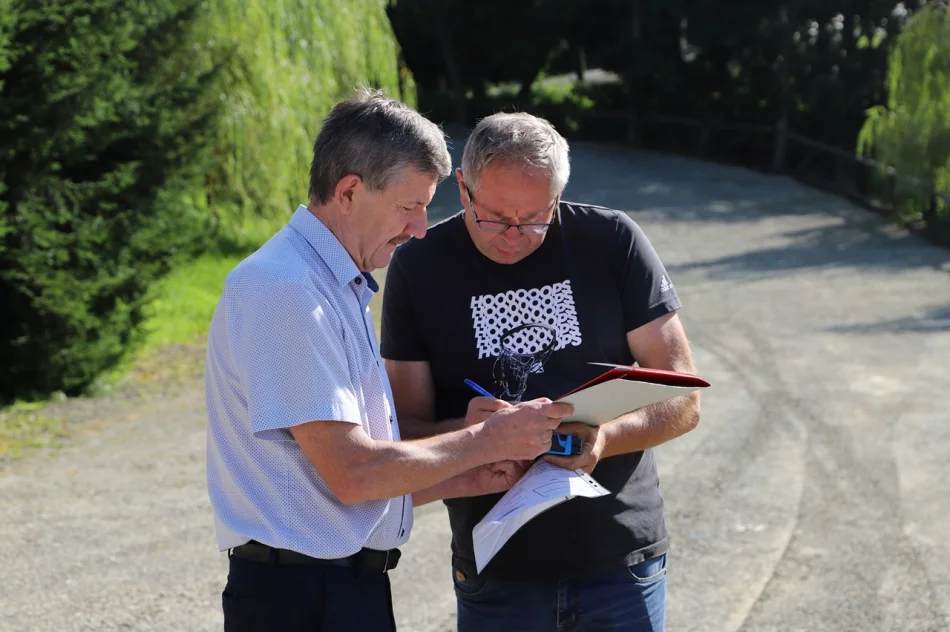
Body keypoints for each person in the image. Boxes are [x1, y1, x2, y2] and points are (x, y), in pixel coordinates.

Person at [204, 90, 573, 632]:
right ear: (349, 191)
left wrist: (465, 474)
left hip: (332, 588)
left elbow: (329, 489)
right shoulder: (286, 290)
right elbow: (352, 474)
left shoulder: (332, 284)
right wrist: (484, 442)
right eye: (409, 207)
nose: (422, 228)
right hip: (302, 596)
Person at [380, 112, 701, 632]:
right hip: (499, 572)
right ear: (463, 189)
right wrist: (472, 434)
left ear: (558, 197)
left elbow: (683, 398)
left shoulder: (612, 240)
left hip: (620, 560)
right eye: (497, 219)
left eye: (534, 218)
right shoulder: (419, 265)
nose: (514, 237)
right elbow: (403, 434)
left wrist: (602, 439)